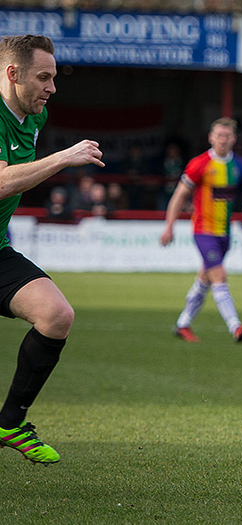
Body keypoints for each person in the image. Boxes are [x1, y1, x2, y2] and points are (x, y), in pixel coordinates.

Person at [0, 34, 105, 464]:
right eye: (43, 77)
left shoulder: (32, 116)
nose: (52, 87)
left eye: (53, 77)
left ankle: (10, 422)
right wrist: (63, 157)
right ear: (12, 74)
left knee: (56, 315)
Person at [160, 117, 242, 343]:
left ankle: (183, 324)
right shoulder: (199, 164)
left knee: (205, 278)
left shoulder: (240, 165)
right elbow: (179, 196)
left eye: (227, 136)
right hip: (203, 231)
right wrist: (169, 225)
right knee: (219, 275)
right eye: (219, 135)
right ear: (210, 137)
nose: (223, 139)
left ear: (234, 139)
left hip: (225, 233)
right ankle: (235, 326)